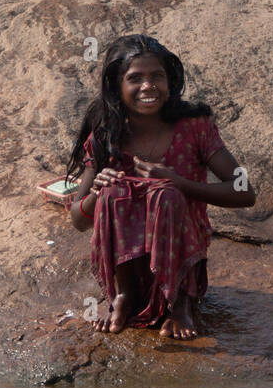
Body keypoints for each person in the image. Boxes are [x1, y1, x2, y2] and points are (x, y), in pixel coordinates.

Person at [65, 35, 256, 339]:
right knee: (114, 192)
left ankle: (180, 304)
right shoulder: (107, 131)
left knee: (165, 193)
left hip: (181, 257)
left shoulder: (195, 126)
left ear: (171, 80)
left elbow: (245, 191)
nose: (148, 86)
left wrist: (180, 183)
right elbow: (77, 219)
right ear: (117, 85)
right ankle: (123, 297)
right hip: (127, 266)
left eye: (157, 76)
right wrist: (95, 196)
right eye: (135, 78)